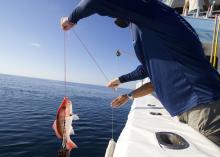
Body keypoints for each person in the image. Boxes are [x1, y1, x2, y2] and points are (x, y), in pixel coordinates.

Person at [61, 0, 220, 146]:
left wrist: (71, 19)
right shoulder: (156, 24)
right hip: (194, 107)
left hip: (204, 108)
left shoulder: (151, 9)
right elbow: (148, 68)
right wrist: (120, 80)